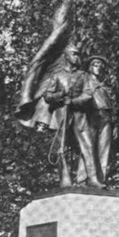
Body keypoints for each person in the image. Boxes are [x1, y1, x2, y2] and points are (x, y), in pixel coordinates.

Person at [43, 45, 105, 188]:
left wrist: (73, 101)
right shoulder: (57, 75)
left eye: (78, 54)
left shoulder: (83, 75)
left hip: (80, 115)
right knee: (61, 148)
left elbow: (88, 94)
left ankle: (93, 179)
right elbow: (47, 96)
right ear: (66, 56)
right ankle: (65, 180)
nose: (77, 57)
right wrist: (60, 95)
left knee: (88, 146)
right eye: (73, 54)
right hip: (61, 116)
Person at [76, 55, 113, 186]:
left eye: (100, 65)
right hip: (90, 115)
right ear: (90, 67)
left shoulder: (106, 85)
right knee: (88, 148)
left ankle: (100, 179)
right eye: (95, 64)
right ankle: (82, 179)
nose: (99, 67)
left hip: (106, 117)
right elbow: (77, 95)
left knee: (104, 149)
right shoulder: (84, 79)